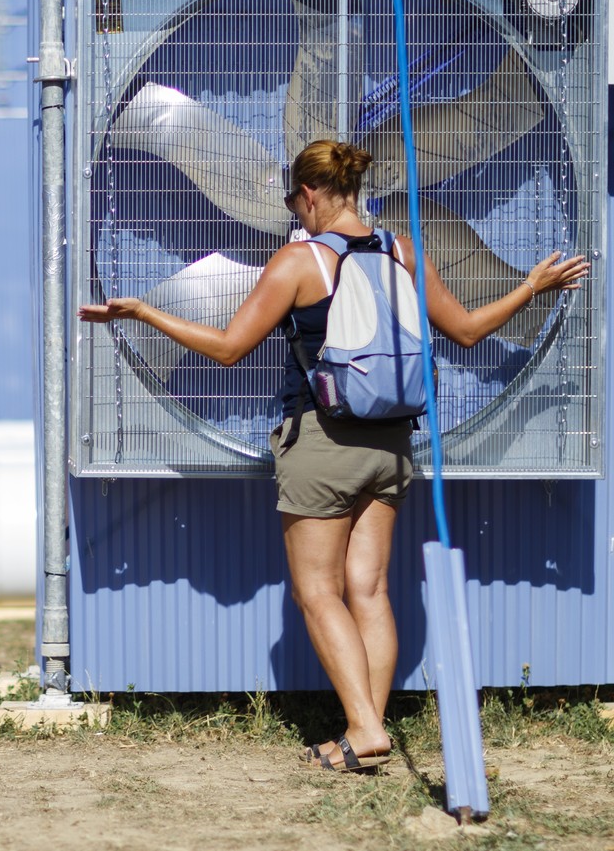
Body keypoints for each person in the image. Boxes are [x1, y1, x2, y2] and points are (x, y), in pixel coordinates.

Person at [77, 140, 588, 772]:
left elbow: (230, 348)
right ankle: (365, 736)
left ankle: (366, 731)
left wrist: (143, 310)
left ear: (311, 195)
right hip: (394, 446)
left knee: (317, 590)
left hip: (323, 442)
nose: (295, 211)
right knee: (369, 589)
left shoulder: (301, 261)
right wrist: (532, 286)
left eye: (293, 200)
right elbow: (469, 331)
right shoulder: (403, 250)